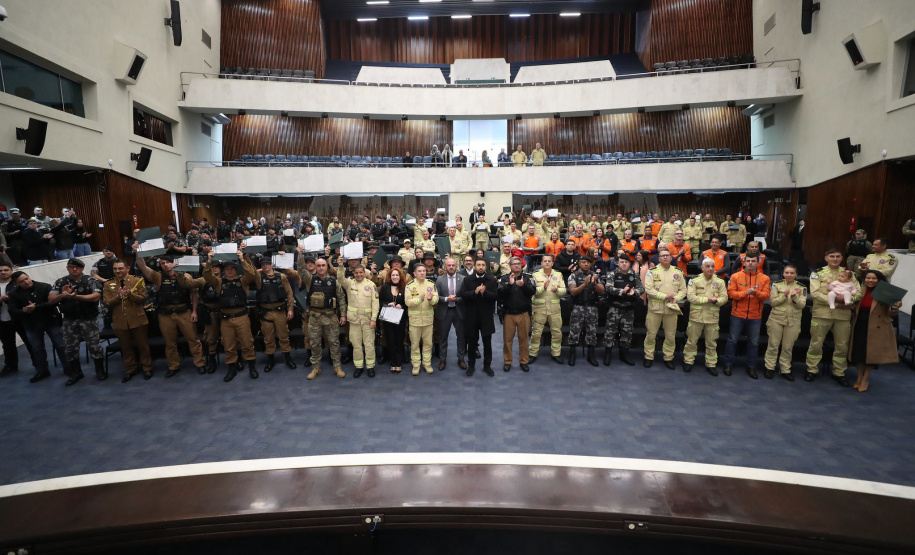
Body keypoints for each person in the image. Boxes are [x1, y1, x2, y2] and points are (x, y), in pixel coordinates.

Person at [135, 250, 207, 377]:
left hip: (184, 312)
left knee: (193, 340)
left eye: (168, 262)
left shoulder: (185, 276)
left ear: (174, 263)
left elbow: (194, 294)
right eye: (162, 263)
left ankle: (200, 363)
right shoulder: (158, 276)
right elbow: (142, 266)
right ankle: (173, 366)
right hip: (165, 314)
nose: (165, 265)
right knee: (170, 343)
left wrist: (194, 311)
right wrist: (137, 252)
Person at [805, 249, 862, 386]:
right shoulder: (817, 274)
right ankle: (812, 370)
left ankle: (839, 373)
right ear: (826, 258)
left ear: (842, 258)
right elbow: (815, 294)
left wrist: (849, 299)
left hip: (843, 316)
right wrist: (839, 301)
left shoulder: (849, 274)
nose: (835, 259)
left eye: (837, 256)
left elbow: (859, 292)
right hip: (822, 314)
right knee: (816, 344)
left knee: (842, 346)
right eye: (832, 257)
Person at [203, 249, 260, 382]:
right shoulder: (219, 283)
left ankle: (252, 366)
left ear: (236, 269)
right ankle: (232, 369)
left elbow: (251, 274)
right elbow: (207, 276)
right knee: (229, 346)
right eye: (227, 269)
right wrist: (209, 261)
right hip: (226, 319)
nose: (230, 271)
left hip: (241, 317)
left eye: (232, 269)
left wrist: (242, 259)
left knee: (247, 343)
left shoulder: (243, 281)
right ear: (224, 270)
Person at [49, 258, 105, 385]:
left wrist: (76, 297)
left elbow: (96, 296)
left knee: (94, 346)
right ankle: (76, 373)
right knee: (70, 348)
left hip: (88, 319)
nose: (74, 269)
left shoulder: (91, 280)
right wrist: (63, 295)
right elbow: (51, 300)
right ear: (67, 268)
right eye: (71, 267)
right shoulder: (61, 282)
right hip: (69, 320)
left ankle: (99, 370)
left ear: (82, 269)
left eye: (77, 267)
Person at [7, 270, 67, 383]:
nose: (26, 282)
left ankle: (68, 368)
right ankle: (42, 371)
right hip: (31, 324)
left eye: (27, 278)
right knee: (37, 349)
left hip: (50, 321)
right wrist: (24, 311)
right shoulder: (14, 293)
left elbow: (53, 302)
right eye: (22, 281)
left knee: (60, 345)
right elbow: (12, 311)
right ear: (16, 283)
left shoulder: (44, 287)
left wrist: (36, 308)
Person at [849, 270, 903, 392]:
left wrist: (895, 307)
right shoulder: (860, 290)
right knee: (859, 352)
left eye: (874, 278)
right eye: (868, 278)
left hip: (877, 327)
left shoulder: (885, 292)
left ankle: (865, 379)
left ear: (879, 280)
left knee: (871, 354)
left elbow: (891, 313)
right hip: (860, 324)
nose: (870, 281)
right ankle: (858, 377)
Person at [102, 259, 152, 382]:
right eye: (115, 269)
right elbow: (107, 303)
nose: (117, 271)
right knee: (126, 347)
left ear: (127, 268)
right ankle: (130, 369)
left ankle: (147, 368)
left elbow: (143, 299)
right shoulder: (108, 284)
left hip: (137, 319)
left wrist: (130, 295)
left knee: (143, 346)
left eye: (120, 268)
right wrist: (118, 297)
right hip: (120, 321)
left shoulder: (137, 280)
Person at [723, 252, 770, 378]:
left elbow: (766, 296)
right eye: (748, 261)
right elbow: (731, 294)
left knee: (754, 343)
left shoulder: (765, 278)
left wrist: (756, 293)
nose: (750, 263)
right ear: (744, 262)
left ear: (758, 262)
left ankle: (751, 367)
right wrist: (745, 293)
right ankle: (728, 364)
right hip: (738, 314)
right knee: (732, 341)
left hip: (755, 316)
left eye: (753, 261)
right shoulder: (735, 276)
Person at [300, 256, 347, 380]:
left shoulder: (334, 281)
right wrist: (299, 255)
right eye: (318, 265)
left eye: (323, 265)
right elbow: (301, 270)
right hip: (314, 318)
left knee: (334, 343)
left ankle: (337, 366)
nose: (321, 268)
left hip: (330, 316)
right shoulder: (310, 280)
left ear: (327, 267)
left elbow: (341, 298)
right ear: (315, 267)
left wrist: (343, 314)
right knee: (314, 343)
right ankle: (316, 367)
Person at [683, 258, 728, 375]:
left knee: (712, 343)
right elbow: (691, 297)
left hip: (712, 318)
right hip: (696, 317)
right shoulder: (694, 281)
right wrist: (708, 299)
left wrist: (716, 301)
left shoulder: (720, 282)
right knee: (691, 341)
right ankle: (688, 361)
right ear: (702, 268)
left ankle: (711, 364)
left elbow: (724, 298)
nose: (710, 269)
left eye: (712, 266)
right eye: (707, 266)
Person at [643, 249, 686, 369]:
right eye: (663, 256)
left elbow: (683, 290)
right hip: (654, 309)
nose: (665, 257)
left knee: (670, 336)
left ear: (671, 258)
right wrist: (665, 296)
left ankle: (668, 357)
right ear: (659, 258)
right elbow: (649, 289)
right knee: (651, 334)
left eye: (667, 255)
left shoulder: (678, 272)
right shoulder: (652, 272)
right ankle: (648, 356)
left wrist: (677, 298)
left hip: (671, 309)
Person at [254, 256, 298, 374]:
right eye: (263, 264)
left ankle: (287, 358)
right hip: (265, 312)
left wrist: (290, 309)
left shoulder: (281, 276)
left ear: (271, 264)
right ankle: (270, 359)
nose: (265, 266)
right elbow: (249, 273)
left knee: (284, 336)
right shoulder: (259, 277)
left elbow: (289, 293)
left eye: (267, 263)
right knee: (268, 338)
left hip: (279, 311)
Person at [763, 264, 807, 381]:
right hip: (776, 319)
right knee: (773, 345)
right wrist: (784, 296)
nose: (789, 275)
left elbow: (802, 305)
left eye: (792, 273)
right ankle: (770, 367)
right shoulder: (776, 285)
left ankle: (785, 369)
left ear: (796, 275)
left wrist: (794, 297)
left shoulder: (802, 287)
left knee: (788, 347)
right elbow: (772, 302)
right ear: (783, 274)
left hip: (793, 321)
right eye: (787, 273)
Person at [602, 254, 644, 366]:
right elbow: (608, 288)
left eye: (626, 262)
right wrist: (622, 291)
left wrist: (635, 292)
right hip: (614, 308)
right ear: (618, 263)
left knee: (627, 332)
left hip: (629, 309)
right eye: (621, 262)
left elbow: (641, 288)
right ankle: (607, 353)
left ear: (629, 263)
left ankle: (624, 354)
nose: (624, 264)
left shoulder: (634, 274)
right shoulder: (612, 274)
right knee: (610, 332)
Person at [338, 264, 378, 378]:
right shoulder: (349, 283)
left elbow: (375, 304)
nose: (359, 275)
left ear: (364, 273)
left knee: (369, 345)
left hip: (367, 320)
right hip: (354, 321)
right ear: (353, 273)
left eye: (361, 272)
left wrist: (373, 319)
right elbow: (340, 279)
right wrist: (341, 267)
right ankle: (359, 366)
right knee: (356, 345)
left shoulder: (371, 285)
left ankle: (370, 366)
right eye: (357, 273)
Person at [461, 258, 498, 377]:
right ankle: (471, 365)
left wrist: (485, 292)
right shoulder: (467, 279)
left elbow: (495, 296)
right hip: (471, 317)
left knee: (487, 343)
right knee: (471, 343)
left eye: (483, 265)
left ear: (486, 267)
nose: (481, 267)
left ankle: (487, 365)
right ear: (475, 266)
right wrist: (475, 292)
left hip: (486, 317)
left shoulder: (491, 280)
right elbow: (463, 295)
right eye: (478, 265)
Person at [498, 256, 535, 372]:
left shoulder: (528, 277)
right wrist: (509, 285)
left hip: (523, 314)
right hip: (509, 314)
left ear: (522, 265)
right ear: (510, 266)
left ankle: (524, 361)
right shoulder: (504, 279)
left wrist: (523, 285)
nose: (517, 266)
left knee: (523, 339)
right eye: (514, 264)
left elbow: (533, 291)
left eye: (518, 264)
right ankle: (507, 361)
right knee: (507, 340)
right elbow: (499, 293)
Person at [529, 253, 566, 365]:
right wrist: (543, 288)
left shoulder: (558, 275)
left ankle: (556, 354)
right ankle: (532, 354)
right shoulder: (535, 275)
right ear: (541, 263)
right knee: (536, 333)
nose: (547, 263)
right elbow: (532, 291)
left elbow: (564, 290)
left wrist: (558, 290)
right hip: (539, 308)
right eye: (545, 261)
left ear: (552, 263)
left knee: (556, 332)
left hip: (555, 309)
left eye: (549, 261)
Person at [567, 255, 603, 367]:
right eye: (583, 262)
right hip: (578, 307)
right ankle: (572, 355)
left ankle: (591, 355)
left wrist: (594, 283)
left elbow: (602, 291)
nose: (586, 264)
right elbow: (572, 291)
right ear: (579, 264)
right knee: (574, 332)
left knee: (592, 332)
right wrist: (584, 284)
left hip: (592, 307)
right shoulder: (574, 275)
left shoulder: (595, 276)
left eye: (588, 262)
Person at [0, 262, 34, 377]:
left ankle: (38, 364)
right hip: (3, 320)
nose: (3, 272)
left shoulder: (18, 284)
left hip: (20, 318)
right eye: (0, 271)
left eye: (5, 270)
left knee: (30, 342)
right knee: (8, 345)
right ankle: (11, 366)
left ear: (11, 270)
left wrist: (11, 299)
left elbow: (27, 299)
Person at [405, 265, 438, 375]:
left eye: (424, 271)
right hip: (415, 321)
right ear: (414, 273)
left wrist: (431, 299)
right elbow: (407, 302)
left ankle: (427, 364)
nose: (422, 273)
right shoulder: (409, 285)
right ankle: (416, 365)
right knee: (414, 344)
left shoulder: (431, 284)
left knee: (428, 344)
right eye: (420, 271)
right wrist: (419, 300)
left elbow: (436, 298)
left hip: (428, 320)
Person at [434, 258, 466, 371]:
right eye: (449, 265)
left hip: (459, 311)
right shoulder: (439, 279)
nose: (451, 267)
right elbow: (436, 296)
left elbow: (466, 296)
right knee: (443, 337)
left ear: (456, 266)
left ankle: (461, 358)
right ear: (445, 267)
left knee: (461, 337)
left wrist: (457, 299)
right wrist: (447, 298)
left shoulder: (463, 279)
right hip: (445, 311)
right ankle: (442, 359)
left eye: (453, 265)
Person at [378, 267, 408, 373]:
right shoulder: (385, 287)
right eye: (393, 275)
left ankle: (398, 362)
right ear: (390, 277)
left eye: (397, 275)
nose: (395, 277)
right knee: (390, 340)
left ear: (400, 277)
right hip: (388, 317)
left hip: (401, 318)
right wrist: (387, 304)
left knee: (399, 340)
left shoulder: (404, 287)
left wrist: (402, 306)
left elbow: (408, 302)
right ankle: (393, 362)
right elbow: (380, 301)